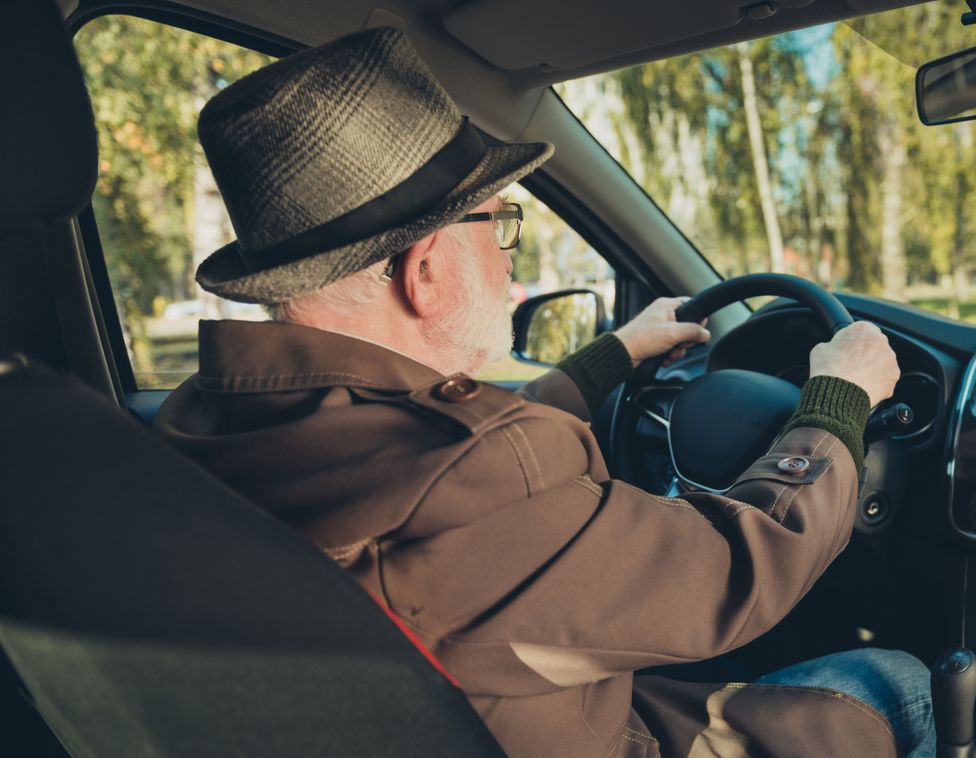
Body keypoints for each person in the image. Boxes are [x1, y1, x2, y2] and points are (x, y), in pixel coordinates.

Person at [154, 27, 934, 758]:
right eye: (497, 224)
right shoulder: (472, 484)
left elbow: (462, 464)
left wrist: (615, 356)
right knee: (899, 683)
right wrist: (837, 398)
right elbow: (738, 567)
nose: (510, 264)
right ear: (425, 271)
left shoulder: (203, 423)